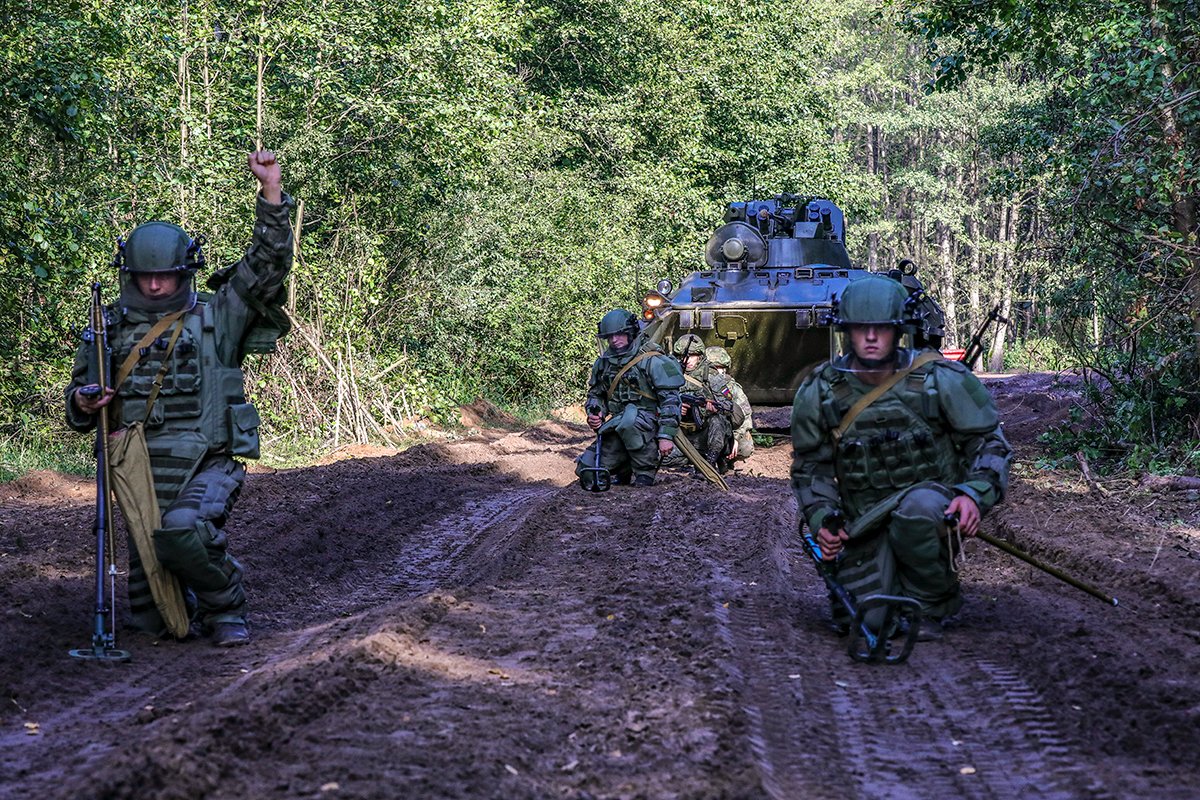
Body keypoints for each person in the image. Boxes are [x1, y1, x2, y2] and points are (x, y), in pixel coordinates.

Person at [65, 150, 293, 647]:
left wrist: (271, 193)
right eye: (145, 275)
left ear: (183, 272)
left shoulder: (219, 317)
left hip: (207, 461)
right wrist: (84, 401)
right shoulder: (110, 330)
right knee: (154, 621)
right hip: (140, 471)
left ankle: (227, 609)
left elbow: (268, 266)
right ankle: (185, 602)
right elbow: (80, 399)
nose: (153, 283)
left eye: (164, 274)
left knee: (184, 530)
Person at [790, 274, 1011, 641]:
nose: (871, 337)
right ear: (846, 332)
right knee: (866, 622)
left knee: (918, 509)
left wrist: (972, 494)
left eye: (882, 328)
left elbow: (989, 443)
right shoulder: (820, 390)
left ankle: (930, 604)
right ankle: (892, 590)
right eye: (861, 328)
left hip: (932, 507)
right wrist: (823, 519)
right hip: (865, 520)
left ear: (900, 330)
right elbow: (811, 468)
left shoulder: (941, 379)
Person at [575, 309, 683, 488]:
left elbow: (670, 401)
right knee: (586, 469)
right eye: (609, 337)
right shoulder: (604, 363)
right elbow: (596, 394)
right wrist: (596, 412)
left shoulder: (652, 360)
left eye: (619, 335)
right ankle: (623, 470)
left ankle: (644, 473)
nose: (614, 340)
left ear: (631, 333)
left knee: (630, 419)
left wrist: (666, 435)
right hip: (619, 423)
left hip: (649, 424)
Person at [661, 334, 744, 472]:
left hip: (705, 434)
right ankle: (696, 457)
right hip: (680, 434)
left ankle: (710, 463)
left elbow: (728, 405)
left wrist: (708, 409)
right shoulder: (669, 373)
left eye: (692, 355)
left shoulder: (710, 374)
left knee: (718, 421)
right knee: (657, 457)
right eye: (682, 356)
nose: (687, 360)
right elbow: (658, 401)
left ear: (699, 355)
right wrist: (674, 408)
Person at [705, 345, 754, 463]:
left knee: (745, 448)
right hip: (704, 430)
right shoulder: (698, 384)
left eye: (720, 367)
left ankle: (723, 458)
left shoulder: (731, 388)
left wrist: (736, 439)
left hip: (726, 430)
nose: (717, 371)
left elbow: (745, 415)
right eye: (713, 367)